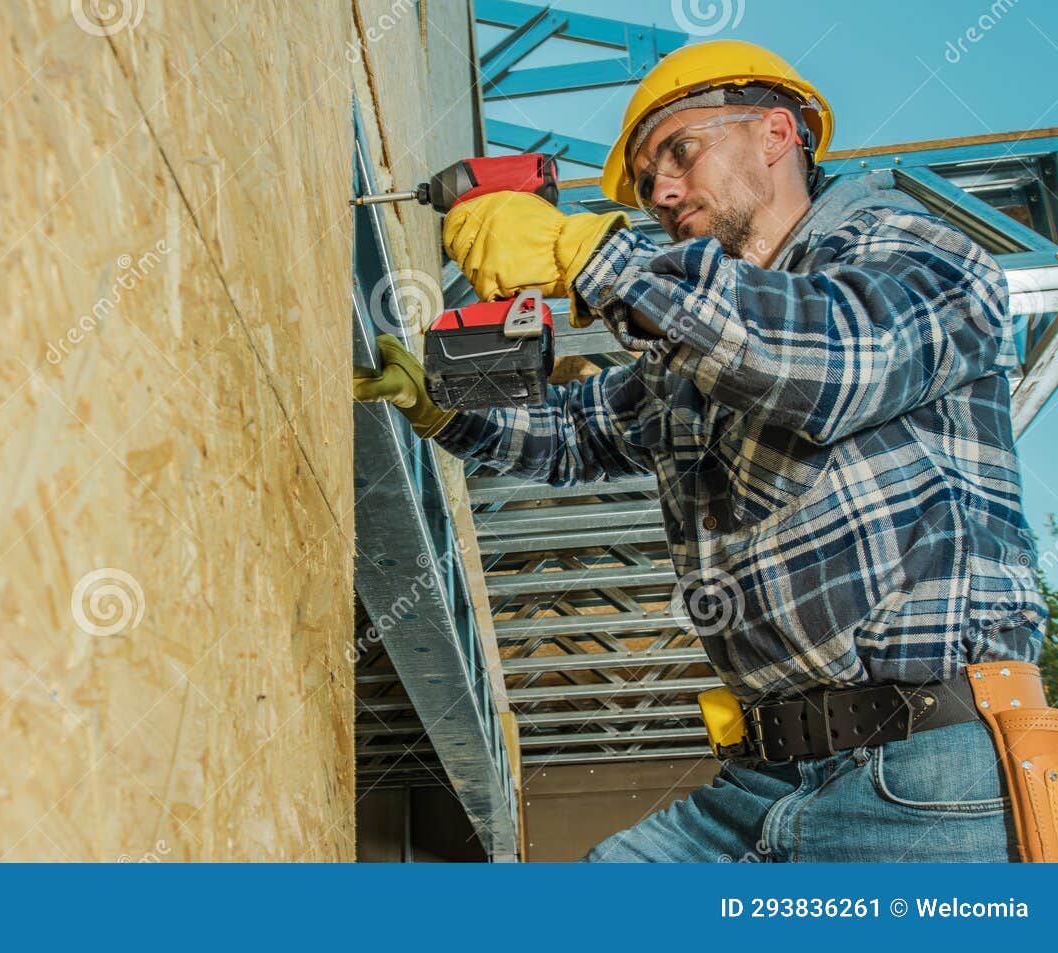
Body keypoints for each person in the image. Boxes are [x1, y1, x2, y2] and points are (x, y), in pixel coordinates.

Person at [353, 40, 1048, 862]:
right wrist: (445, 408)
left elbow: (825, 362)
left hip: (928, 777)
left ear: (778, 133)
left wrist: (590, 255)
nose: (662, 192)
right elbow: (582, 431)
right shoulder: (691, 356)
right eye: (647, 183)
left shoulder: (923, 257)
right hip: (766, 774)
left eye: (679, 152)